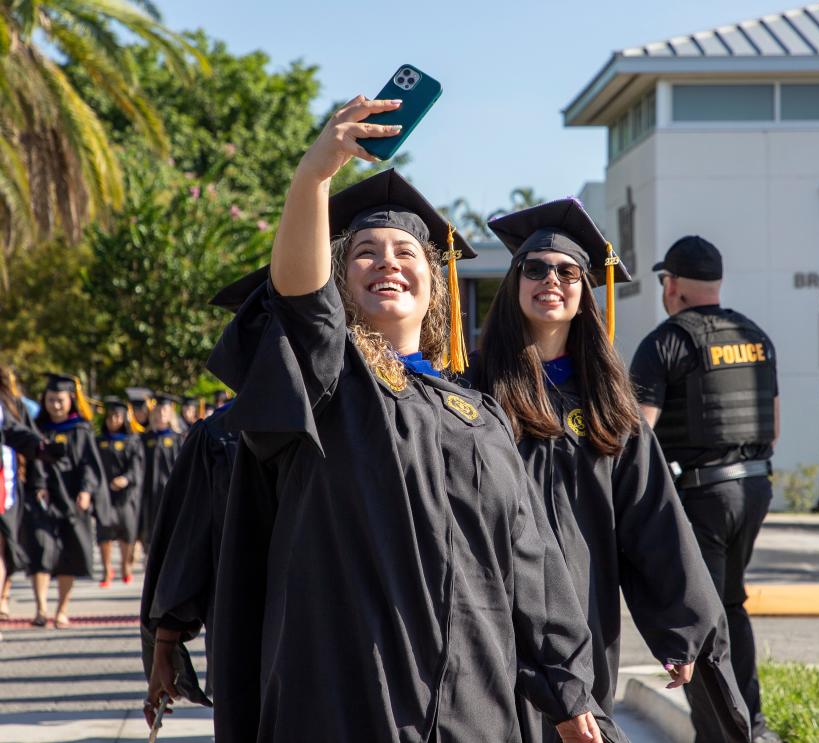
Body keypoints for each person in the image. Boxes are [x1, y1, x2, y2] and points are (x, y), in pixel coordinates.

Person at [196, 95, 605, 743]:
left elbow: (530, 559)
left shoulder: (479, 414)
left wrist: (568, 688)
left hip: (473, 698)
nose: (387, 260)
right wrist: (314, 177)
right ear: (338, 278)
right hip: (345, 693)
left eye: (405, 252)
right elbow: (301, 302)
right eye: (364, 252)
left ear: (434, 283)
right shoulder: (330, 383)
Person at [469, 199, 750, 743]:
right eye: (536, 268)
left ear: (584, 294)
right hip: (488, 600)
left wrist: (682, 626)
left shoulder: (608, 405)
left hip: (580, 604)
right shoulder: (471, 389)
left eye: (568, 271)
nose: (551, 280)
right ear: (514, 282)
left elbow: (652, 518)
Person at [630, 236, 781, 743]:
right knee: (731, 607)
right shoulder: (755, 335)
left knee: (701, 618)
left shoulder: (665, 342)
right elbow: (772, 427)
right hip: (754, 489)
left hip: (701, 498)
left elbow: (639, 436)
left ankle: (721, 735)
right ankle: (751, 725)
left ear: (671, 285)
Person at [140, 272, 257, 726]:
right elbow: (189, 544)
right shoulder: (217, 437)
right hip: (244, 635)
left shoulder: (354, 425)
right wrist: (164, 646)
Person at [24, 374, 110, 629]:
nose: (56, 405)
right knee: (39, 549)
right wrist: (38, 486)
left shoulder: (80, 429)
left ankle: (62, 609)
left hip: (73, 498)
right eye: (51, 400)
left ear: (70, 400)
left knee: (68, 554)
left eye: (60, 400)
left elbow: (89, 465)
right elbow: (30, 461)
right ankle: (41, 608)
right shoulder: (36, 428)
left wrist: (86, 491)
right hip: (42, 497)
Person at [0, 366, 49, 623]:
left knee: (6, 547)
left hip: (9, 485)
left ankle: (5, 597)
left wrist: (38, 481)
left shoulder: (16, 407)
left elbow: (24, 437)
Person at [95, 397, 144, 587]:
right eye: (110, 416)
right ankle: (107, 570)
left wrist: (126, 478)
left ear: (124, 418)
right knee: (104, 532)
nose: (113, 420)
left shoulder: (132, 441)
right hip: (104, 494)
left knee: (126, 531)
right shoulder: (99, 441)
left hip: (126, 495)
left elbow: (137, 466)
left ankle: (126, 565)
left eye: (117, 416)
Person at [138, 393, 183, 551]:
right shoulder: (144, 438)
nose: (161, 414)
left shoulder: (179, 439)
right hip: (149, 492)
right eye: (158, 411)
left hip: (171, 491)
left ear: (171, 413)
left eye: (165, 411)